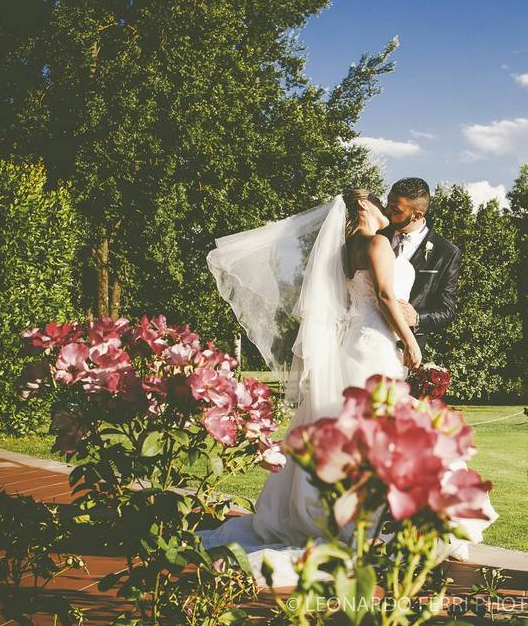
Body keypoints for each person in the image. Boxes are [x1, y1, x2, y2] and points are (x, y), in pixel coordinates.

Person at [197, 189, 496, 587]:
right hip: (376, 344)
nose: (389, 211)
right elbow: (387, 296)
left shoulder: (345, 248)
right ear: (368, 209)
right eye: (382, 204)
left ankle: (330, 510)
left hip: (352, 342)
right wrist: (410, 339)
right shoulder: (376, 243)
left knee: (348, 424)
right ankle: (371, 520)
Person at [379, 177, 461, 355]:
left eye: (395, 209)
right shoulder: (375, 235)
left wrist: (417, 317)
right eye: (387, 204)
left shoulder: (445, 252)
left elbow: (446, 311)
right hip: (364, 335)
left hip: (406, 349)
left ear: (417, 215)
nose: (386, 211)